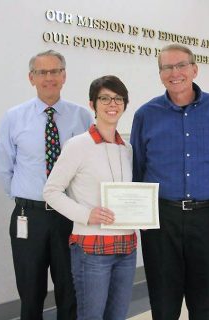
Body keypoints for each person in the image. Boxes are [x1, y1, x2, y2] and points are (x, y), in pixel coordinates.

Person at [130, 43, 209, 320]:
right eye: (167, 67)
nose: (174, 73)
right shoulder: (145, 115)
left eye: (181, 66)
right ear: (160, 73)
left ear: (194, 69)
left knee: (203, 301)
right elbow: (138, 167)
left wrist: (207, 201)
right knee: (164, 303)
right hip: (162, 220)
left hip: (208, 217)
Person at [0, 50, 93, 320]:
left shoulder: (82, 117)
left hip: (69, 216)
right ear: (31, 78)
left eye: (55, 71)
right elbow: (5, 169)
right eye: (42, 72)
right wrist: (26, 199)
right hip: (30, 216)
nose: (49, 78)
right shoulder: (13, 117)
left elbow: (87, 167)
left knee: (70, 288)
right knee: (30, 289)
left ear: (64, 76)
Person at [43, 75, 136, 320]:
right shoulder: (78, 145)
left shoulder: (127, 149)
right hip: (91, 248)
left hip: (126, 247)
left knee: (117, 316)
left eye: (118, 99)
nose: (112, 104)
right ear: (92, 105)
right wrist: (86, 214)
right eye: (104, 98)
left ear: (125, 104)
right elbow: (51, 191)